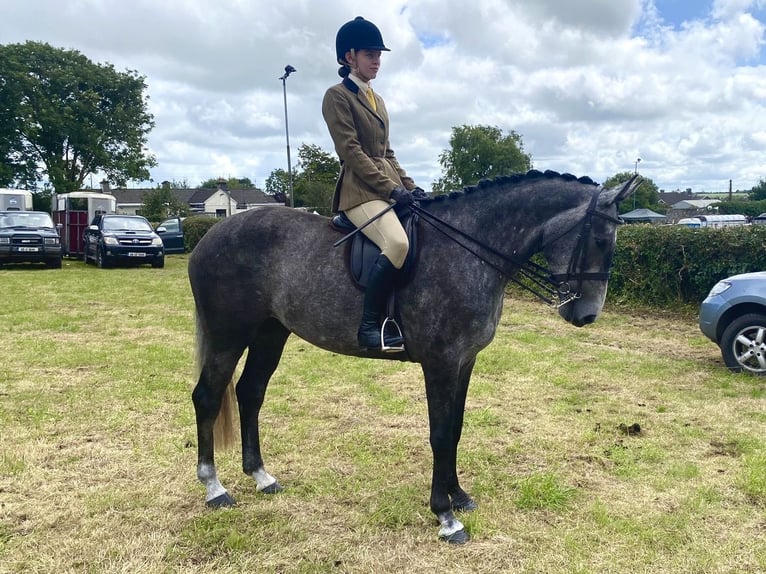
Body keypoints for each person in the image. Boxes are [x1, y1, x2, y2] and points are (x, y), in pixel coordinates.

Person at [322, 16, 425, 351]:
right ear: (349, 57)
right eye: (370, 54)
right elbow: (350, 151)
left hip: (385, 187)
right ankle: (370, 326)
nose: (377, 60)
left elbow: (388, 152)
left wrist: (410, 188)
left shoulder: (377, 99)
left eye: (379, 54)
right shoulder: (336, 97)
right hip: (359, 191)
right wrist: (390, 190)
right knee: (397, 244)